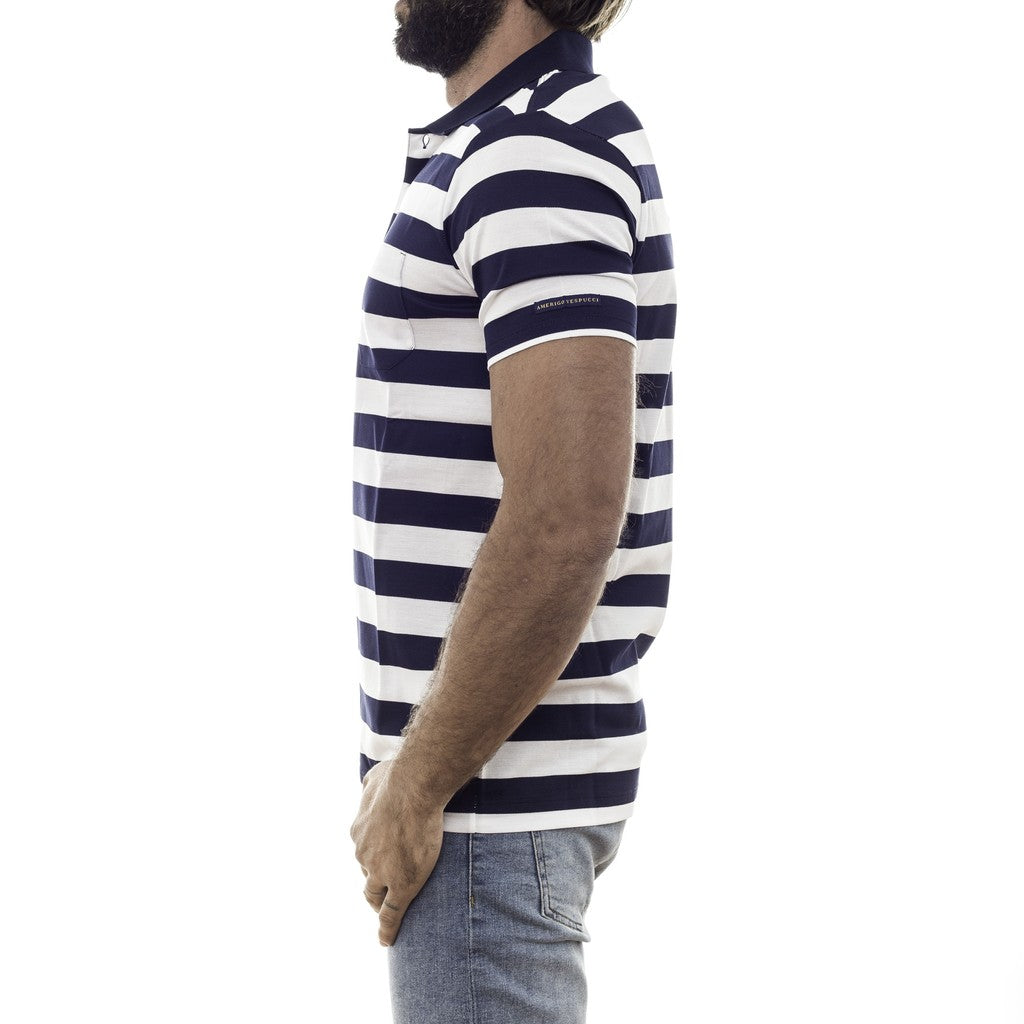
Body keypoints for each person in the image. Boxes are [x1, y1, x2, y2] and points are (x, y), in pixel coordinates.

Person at [348, 1, 676, 1020]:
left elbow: (566, 515)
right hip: (484, 805)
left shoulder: (534, 151)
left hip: (485, 809)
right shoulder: (515, 141)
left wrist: (418, 780)